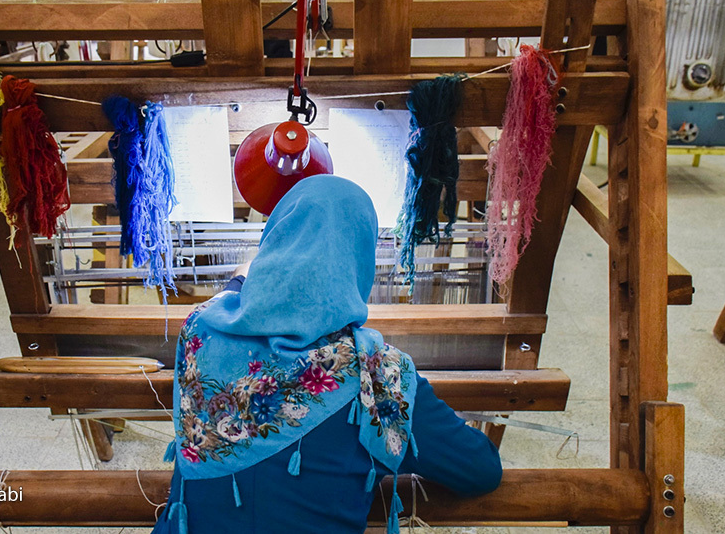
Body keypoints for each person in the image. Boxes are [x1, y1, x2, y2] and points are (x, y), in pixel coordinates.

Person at [153, 175, 502, 534]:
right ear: (360, 260)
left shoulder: (201, 332)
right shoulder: (378, 376)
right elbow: (481, 470)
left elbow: (225, 299)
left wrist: (244, 278)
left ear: (273, 245)